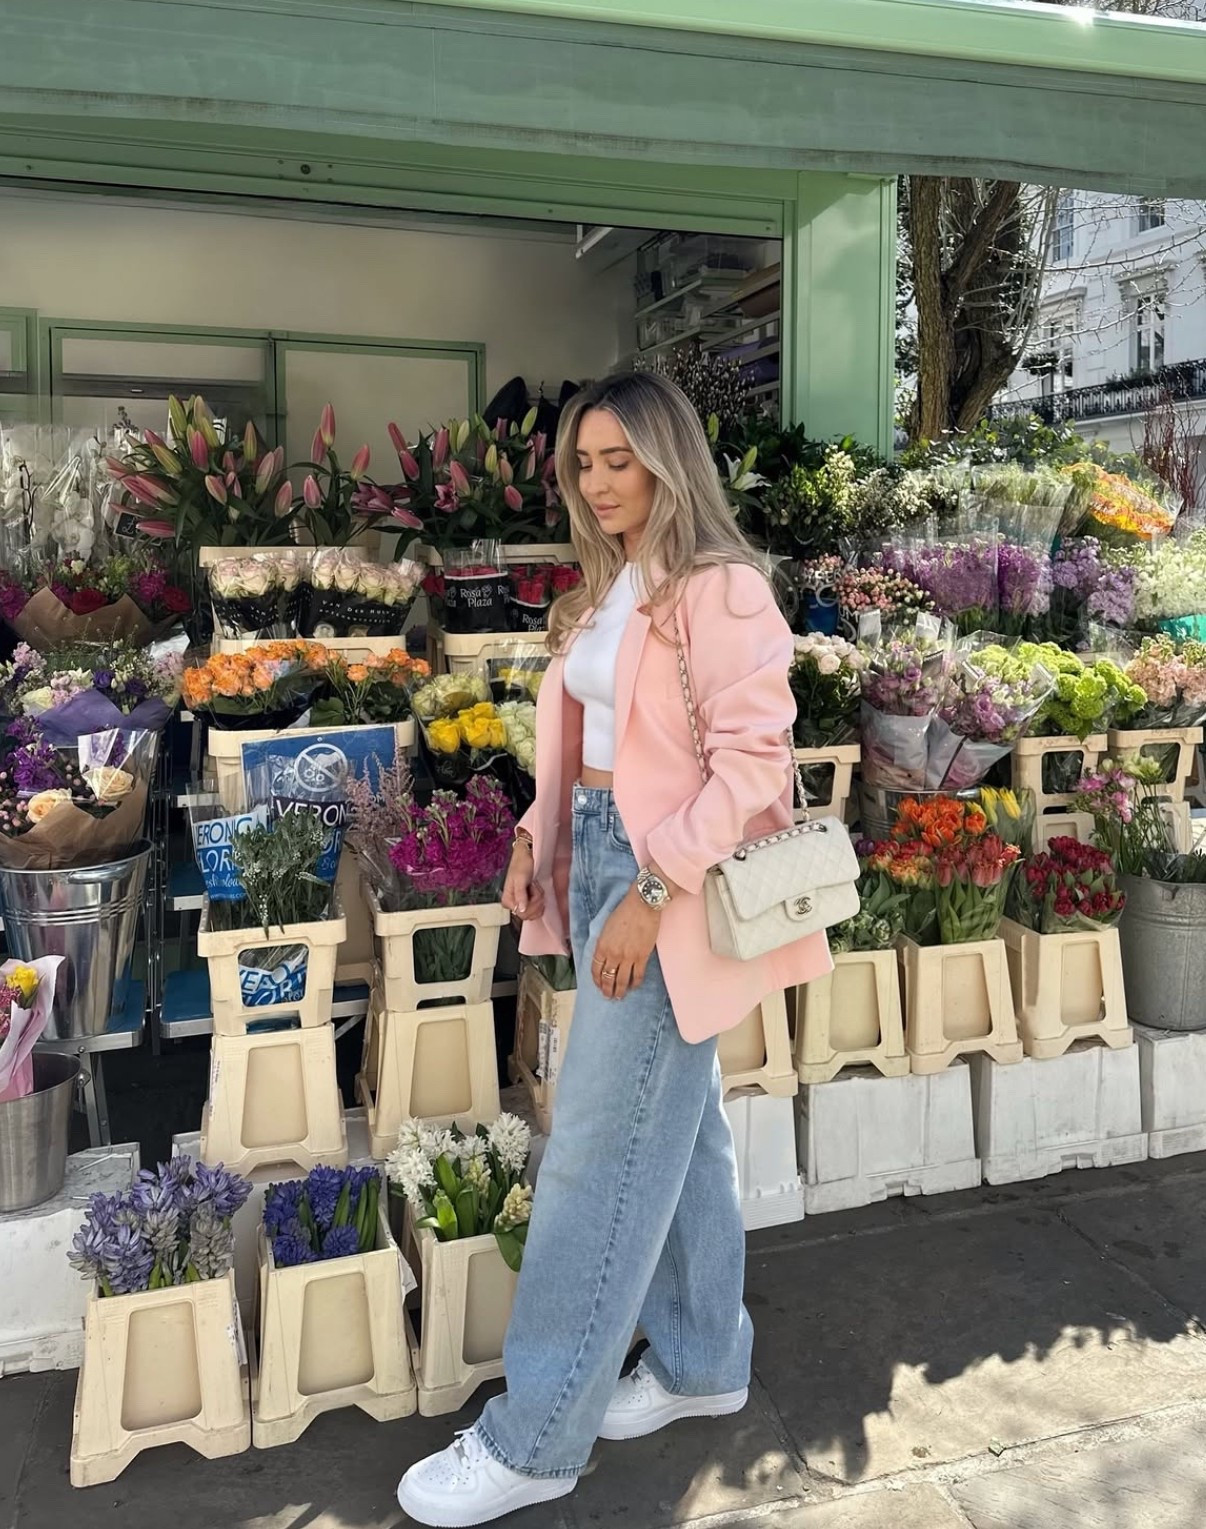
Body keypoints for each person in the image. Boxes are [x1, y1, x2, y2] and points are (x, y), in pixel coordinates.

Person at [397, 371, 832, 1527]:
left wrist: (648, 887)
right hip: (599, 858)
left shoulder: (723, 589)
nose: (596, 483)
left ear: (665, 458)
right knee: (680, 1133)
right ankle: (700, 1357)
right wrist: (539, 836)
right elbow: (587, 747)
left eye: (617, 461)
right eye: (583, 464)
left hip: (666, 880)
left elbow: (750, 767)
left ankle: (538, 1435)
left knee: (594, 1146)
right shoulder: (609, 588)